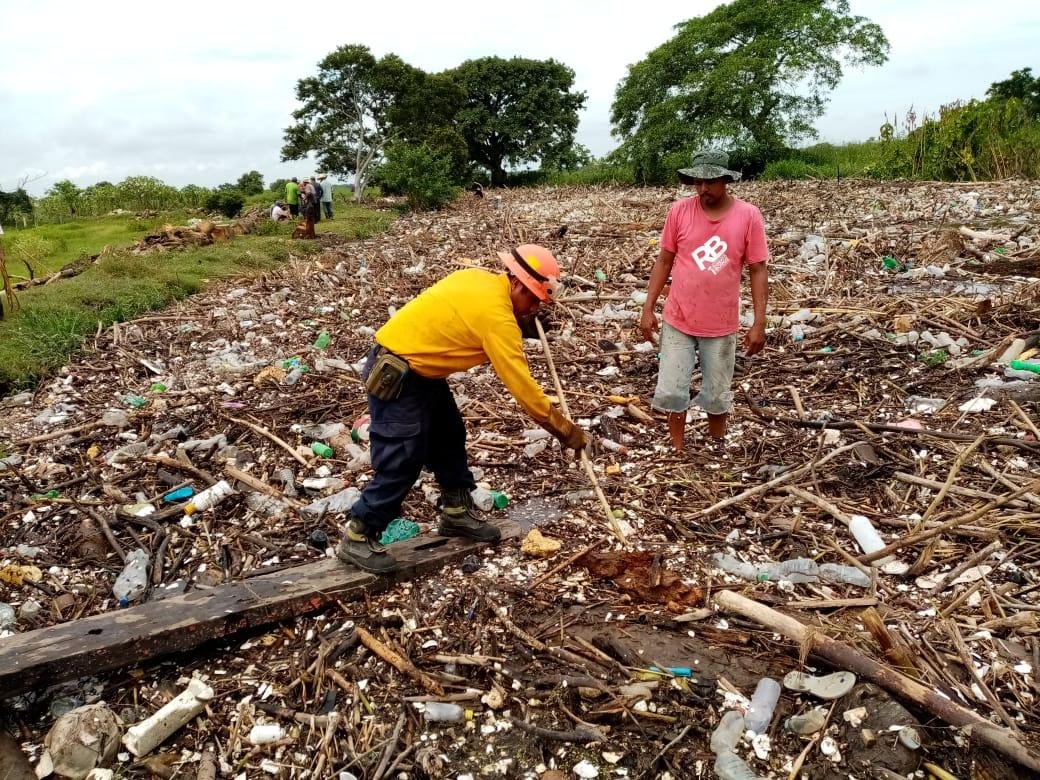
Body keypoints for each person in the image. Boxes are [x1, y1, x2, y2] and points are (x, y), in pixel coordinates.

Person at [337, 245, 590, 573]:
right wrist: (564, 429)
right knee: (402, 456)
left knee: (449, 436)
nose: (535, 307)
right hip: (398, 372)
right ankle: (359, 533)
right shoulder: (496, 317)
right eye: (532, 298)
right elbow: (524, 391)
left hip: (424, 369)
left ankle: (456, 512)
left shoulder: (480, 279)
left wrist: (521, 320)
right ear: (515, 283)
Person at [639, 150, 769, 451]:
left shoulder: (748, 216)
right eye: (698, 182)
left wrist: (759, 323)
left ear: (725, 180)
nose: (703, 189)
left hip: (721, 322)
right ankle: (678, 449)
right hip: (679, 317)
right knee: (673, 389)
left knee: (717, 392)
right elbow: (664, 260)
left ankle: (716, 445)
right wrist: (648, 308)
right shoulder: (679, 212)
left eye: (710, 182)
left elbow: (758, 269)